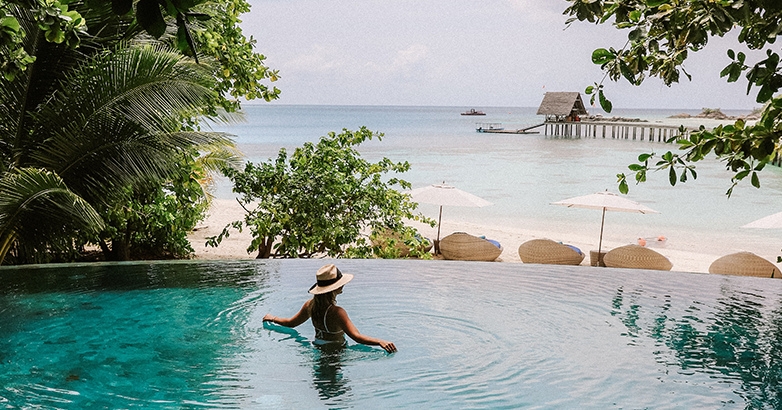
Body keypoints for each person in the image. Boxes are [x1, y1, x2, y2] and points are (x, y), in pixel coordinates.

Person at [263, 264, 397, 353]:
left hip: (317, 348)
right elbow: (357, 337)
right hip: (336, 353)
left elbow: (291, 323)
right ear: (334, 288)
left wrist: (273, 318)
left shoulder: (310, 305)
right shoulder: (338, 312)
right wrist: (381, 341)